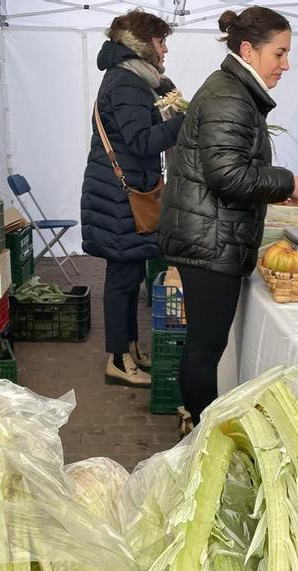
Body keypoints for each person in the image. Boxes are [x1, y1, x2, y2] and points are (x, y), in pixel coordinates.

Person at [157, 7, 298, 425]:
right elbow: (227, 174)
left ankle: (200, 425)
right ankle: (202, 433)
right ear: (248, 51)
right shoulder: (229, 95)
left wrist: (273, 192)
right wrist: (288, 183)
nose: (286, 65)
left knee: (204, 346)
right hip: (209, 243)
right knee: (205, 349)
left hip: (210, 235)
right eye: (280, 54)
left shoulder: (232, 90)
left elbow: (227, 168)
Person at [81, 9, 185, 387]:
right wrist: (183, 123)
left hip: (119, 193)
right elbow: (142, 142)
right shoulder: (127, 83)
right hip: (120, 196)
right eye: (161, 42)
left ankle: (129, 349)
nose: (166, 49)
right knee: (122, 279)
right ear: (142, 45)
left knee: (126, 275)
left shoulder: (133, 79)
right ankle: (119, 361)